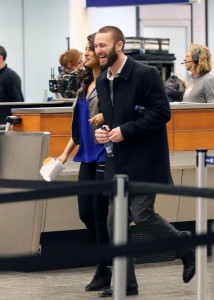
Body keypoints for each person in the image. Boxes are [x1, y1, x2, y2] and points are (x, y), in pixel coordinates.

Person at [94, 26, 195, 297]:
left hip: (145, 161)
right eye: (95, 46)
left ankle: (184, 244)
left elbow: (162, 112)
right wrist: (104, 132)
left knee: (142, 215)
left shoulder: (145, 74)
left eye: (103, 45)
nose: (98, 50)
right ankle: (126, 283)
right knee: (115, 224)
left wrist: (125, 130)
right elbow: (112, 116)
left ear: (119, 46)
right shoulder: (103, 80)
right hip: (118, 163)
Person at [58, 33, 111, 292]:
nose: (87, 53)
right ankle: (108, 260)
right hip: (85, 157)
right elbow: (78, 127)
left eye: (90, 49)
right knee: (86, 214)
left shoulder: (108, 82)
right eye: (88, 48)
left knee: (101, 217)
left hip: (104, 155)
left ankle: (105, 269)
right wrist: (66, 153)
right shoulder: (84, 84)